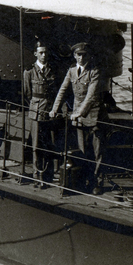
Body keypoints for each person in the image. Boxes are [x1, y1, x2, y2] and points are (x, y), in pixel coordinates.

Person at [50, 42, 111, 191]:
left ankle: (98, 182)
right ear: (74, 56)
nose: (81, 58)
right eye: (78, 55)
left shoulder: (94, 71)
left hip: (94, 116)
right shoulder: (71, 71)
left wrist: (78, 113)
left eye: (84, 55)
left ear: (88, 56)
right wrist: (54, 108)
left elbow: (91, 96)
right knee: (83, 151)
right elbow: (63, 90)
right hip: (79, 118)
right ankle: (85, 180)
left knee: (98, 153)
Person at [22, 42, 60, 185]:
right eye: (41, 52)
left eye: (46, 52)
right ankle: (37, 174)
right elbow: (27, 93)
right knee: (36, 145)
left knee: (50, 143)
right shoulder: (29, 71)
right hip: (36, 111)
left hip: (50, 110)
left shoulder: (53, 70)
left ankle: (49, 174)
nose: (44, 55)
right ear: (35, 54)